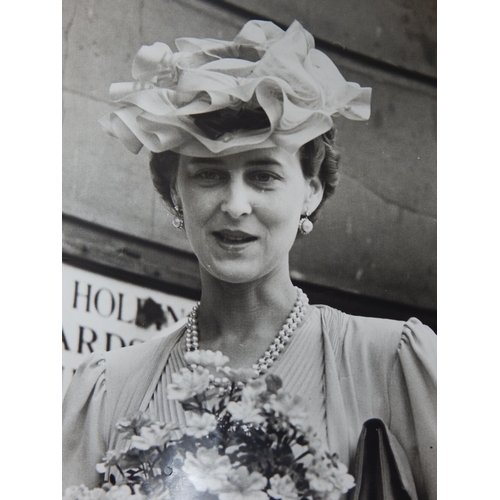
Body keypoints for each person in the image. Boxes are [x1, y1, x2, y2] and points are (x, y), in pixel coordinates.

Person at [63, 20, 436, 499]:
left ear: (311, 192)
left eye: (263, 176)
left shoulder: (389, 362)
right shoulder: (108, 388)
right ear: (175, 193)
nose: (236, 205)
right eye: (209, 175)